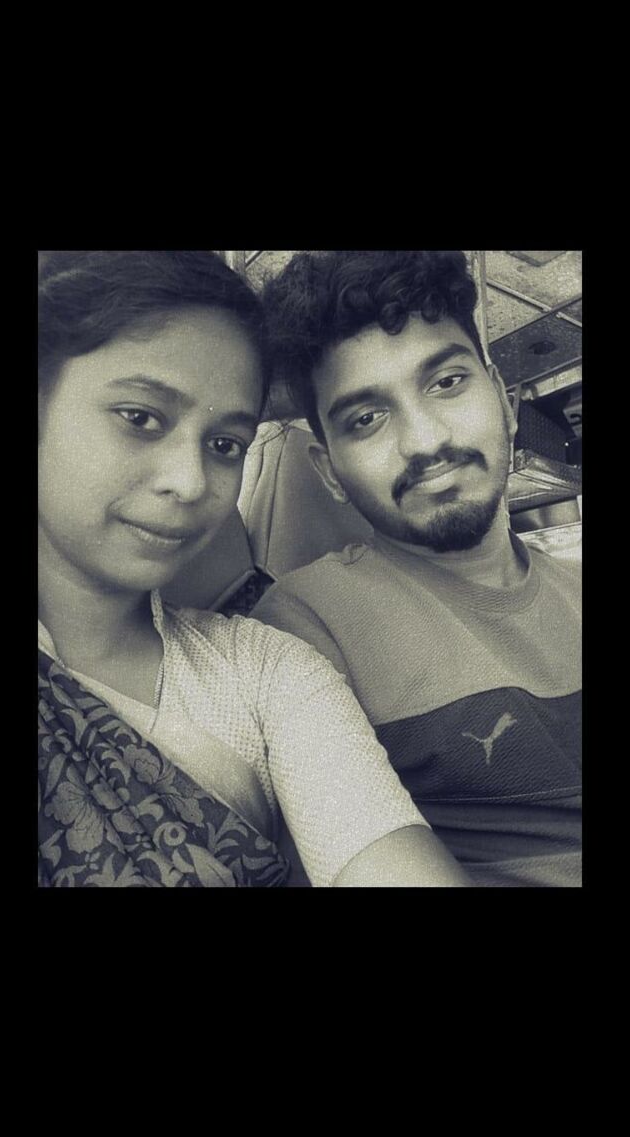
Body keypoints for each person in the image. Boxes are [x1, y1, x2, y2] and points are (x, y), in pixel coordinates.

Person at [38, 249, 472, 888]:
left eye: (225, 446)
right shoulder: (306, 617)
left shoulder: (265, 671)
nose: (190, 482)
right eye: (140, 418)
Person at [252, 250, 582, 888]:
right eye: (366, 419)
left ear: (505, 401)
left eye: (447, 382)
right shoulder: (304, 630)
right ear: (330, 472)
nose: (426, 441)